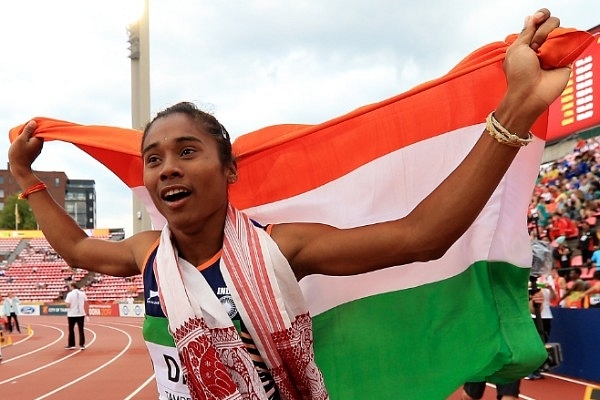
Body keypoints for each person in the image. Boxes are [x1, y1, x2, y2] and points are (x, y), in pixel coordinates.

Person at [7, 9, 572, 399]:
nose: (168, 168)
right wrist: (24, 175)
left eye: (187, 151)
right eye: (153, 159)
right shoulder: (147, 254)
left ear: (229, 170)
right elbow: (78, 246)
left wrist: (514, 115)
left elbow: (421, 236)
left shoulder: (282, 247)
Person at [461, 291, 546, 400]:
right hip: (482, 343)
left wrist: (535, 301)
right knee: (470, 396)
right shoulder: (478, 280)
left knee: (509, 397)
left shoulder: (517, 281)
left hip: (510, 343)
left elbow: (529, 309)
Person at [64, 282, 87, 350]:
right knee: (81, 330)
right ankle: (82, 345)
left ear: (72, 286)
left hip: (72, 314)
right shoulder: (82, 293)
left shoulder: (70, 294)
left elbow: (68, 305)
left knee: (71, 330)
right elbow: (86, 302)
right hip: (81, 314)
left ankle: (72, 344)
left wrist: (66, 304)